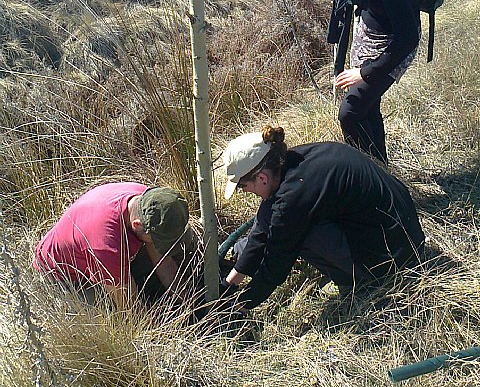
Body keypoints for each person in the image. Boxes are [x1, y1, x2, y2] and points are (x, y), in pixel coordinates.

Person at [221, 125, 425, 311]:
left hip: (393, 257)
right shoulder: (296, 159)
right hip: (402, 231)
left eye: (243, 187)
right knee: (282, 220)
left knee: (299, 233)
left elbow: (277, 262)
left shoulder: (294, 198)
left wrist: (241, 305)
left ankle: (356, 280)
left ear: (262, 178)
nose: (245, 192)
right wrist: (233, 280)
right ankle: (353, 268)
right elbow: (265, 220)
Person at [303, 0, 421, 164]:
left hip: (395, 41)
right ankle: (381, 169)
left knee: (351, 113)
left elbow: (408, 37)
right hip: (370, 30)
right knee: (368, 107)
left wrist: (365, 73)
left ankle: (368, 177)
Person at [34, 182, 198, 309]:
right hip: (64, 278)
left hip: (101, 253)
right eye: (158, 240)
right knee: (110, 316)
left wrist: (189, 303)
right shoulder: (106, 246)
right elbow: (130, 308)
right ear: (137, 224)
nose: (162, 246)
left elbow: (164, 262)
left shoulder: (149, 201)